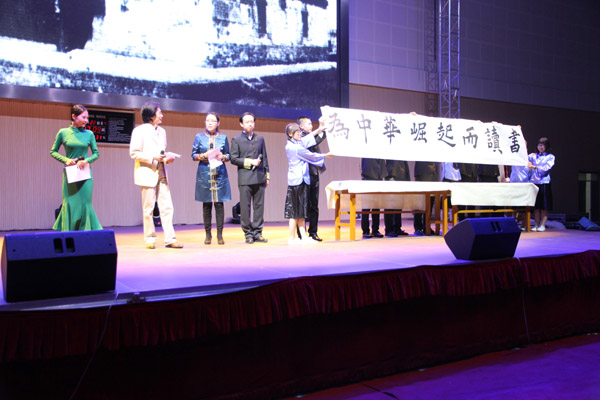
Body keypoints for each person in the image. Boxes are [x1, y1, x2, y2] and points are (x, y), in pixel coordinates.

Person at [129, 102, 183, 249]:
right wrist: (153, 158)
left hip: (162, 172)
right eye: (159, 113)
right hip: (147, 172)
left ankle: (170, 239)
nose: (162, 115)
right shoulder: (139, 131)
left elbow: (161, 152)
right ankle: (150, 239)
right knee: (148, 209)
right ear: (151, 115)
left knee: (167, 207)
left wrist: (167, 158)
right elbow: (134, 153)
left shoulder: (162, 131)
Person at [50, 104, 103, 231]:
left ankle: (86, 234)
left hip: (85, 174)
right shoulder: (63, 132)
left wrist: (87, 160)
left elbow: (96, 154)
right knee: (70, 203)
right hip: (70, 173)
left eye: (87, 118)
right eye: (83, 117)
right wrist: (66, 160)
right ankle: (68, 233)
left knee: (85, 203)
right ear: (74, 116)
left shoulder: (89, 134)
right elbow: (53, 151)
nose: (86, 120)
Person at [284, 123, 331, 244]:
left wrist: (319, 129)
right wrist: (325, 155)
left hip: (301, 180)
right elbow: (310, 155)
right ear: (290, 134)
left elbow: (306, 139)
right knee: (294, 211)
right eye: (297, 132)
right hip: (297, 181)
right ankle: (292, 237)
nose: (300, 134)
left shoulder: (297, 143)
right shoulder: (294, 147)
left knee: (301, 210)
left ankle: (303, 236)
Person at [191, 112, 232, 245]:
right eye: (207, 120)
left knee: (219, 204)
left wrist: (222, 157)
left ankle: (220, 235)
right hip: (204, 173)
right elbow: (193, 155)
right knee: (206, 204)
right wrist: (204, 155)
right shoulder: (199, 137)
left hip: (219, 173)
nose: (209, 123)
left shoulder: (223, 138)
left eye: (213, 120)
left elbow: (229, 155)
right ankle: (208, 235)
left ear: (218, 123)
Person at [230, 112, 270, 244]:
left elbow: (265, 157)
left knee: (259, 207)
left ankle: (258, 233)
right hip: (245, 178)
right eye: (247, 122)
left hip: (259, 177)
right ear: (241, 124)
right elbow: (233, 159)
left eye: (252, 121)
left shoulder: (260, 138)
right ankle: (248, 234)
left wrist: (267, 176)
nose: (250, 124)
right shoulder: (236, 139)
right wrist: (250, 162)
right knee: (245, 207)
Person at [297, 115, 327, 241]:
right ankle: (301, 233)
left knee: (314, 205)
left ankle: (313, 232)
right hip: (304, 175)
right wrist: (320, 128)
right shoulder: (300, 138)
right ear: (301, 126)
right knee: (303, 205)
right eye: (308, 124)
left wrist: (324, 128)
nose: (311, 125)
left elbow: (320, 137)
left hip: (314, 173)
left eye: (311, 123)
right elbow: (315, 140)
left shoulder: (312, 136)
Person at [528, 137, 555, 232]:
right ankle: (536, 224)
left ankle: (542, 225)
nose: (541, 147)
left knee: (544, 205)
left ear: (547, 146)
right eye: (539, 145)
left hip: (544, 182)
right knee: (536, 206)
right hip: (534, 182)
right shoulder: (533, 155)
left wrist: (535, 167)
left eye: (543, 145)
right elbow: (524, 160)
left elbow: (546, 169)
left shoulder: (550, 157)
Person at [383, 160, 410, 237]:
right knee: (390, 204)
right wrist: (389, 177)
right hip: (393, 177)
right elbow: (390, 164)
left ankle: (397, 227)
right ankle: (389, 229)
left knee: (399, 205)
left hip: (401, 177)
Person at [361, 158, 385, 238]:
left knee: (376, 206)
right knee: (366, 207)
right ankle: (365, 230)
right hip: (368, 178)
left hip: (378, 178)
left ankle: (375, 230)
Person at [413, 161, 439, 235]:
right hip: (423, 172)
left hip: (433, 174)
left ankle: (427, 226)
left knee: (430, 201)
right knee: (420, 202)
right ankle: (418, 227)